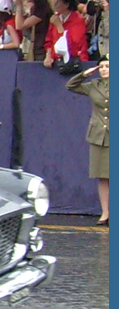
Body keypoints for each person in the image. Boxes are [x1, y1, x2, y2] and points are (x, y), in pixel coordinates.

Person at [66, 58, 109, 226]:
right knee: (103, 176)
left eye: (108, 67)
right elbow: (70, 86)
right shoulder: (94, 85)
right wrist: (84, 74)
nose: (104, 69)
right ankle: (105, 213)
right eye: (102, 67)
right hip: (99, 135)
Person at [43, 0, 90, 68]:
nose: (55, 4)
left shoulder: (78, 20)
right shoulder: (56, 18)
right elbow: (49, 40)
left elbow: (73, 45)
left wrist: (59, 26)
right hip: (57, 61)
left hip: (75, 62)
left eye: (58, 1)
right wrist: (48, 55)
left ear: (66, 5)